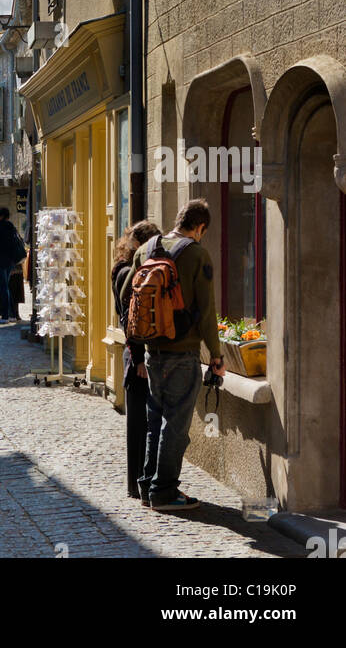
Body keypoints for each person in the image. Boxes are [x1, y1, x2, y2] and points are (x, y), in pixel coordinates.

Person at [120, 198, 225, 512]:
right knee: (175, 426)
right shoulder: (197, 254)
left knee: (156, 421)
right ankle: (165, 492)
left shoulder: (146, 250)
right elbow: (207, 314)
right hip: (183, 354)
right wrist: (217, 356)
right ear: (200, 227)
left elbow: (126, 293)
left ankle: (148, 484)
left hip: (152, 353)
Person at [111, 218, 159, 497]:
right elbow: (130, 320)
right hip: (135, 357)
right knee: (139, 424)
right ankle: (138, 483)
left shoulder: (126, 268)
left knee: (143, 423)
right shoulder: (126, 272)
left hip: (135, 355)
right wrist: (139, 358)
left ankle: (140, 483)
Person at [0, 207, 26, 321]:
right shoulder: (11, 228)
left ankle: (5, 315)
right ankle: (12, 314)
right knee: (6, 288)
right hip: (10, 262)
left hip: (0, 262)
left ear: (2, 216)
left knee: (3, 288)